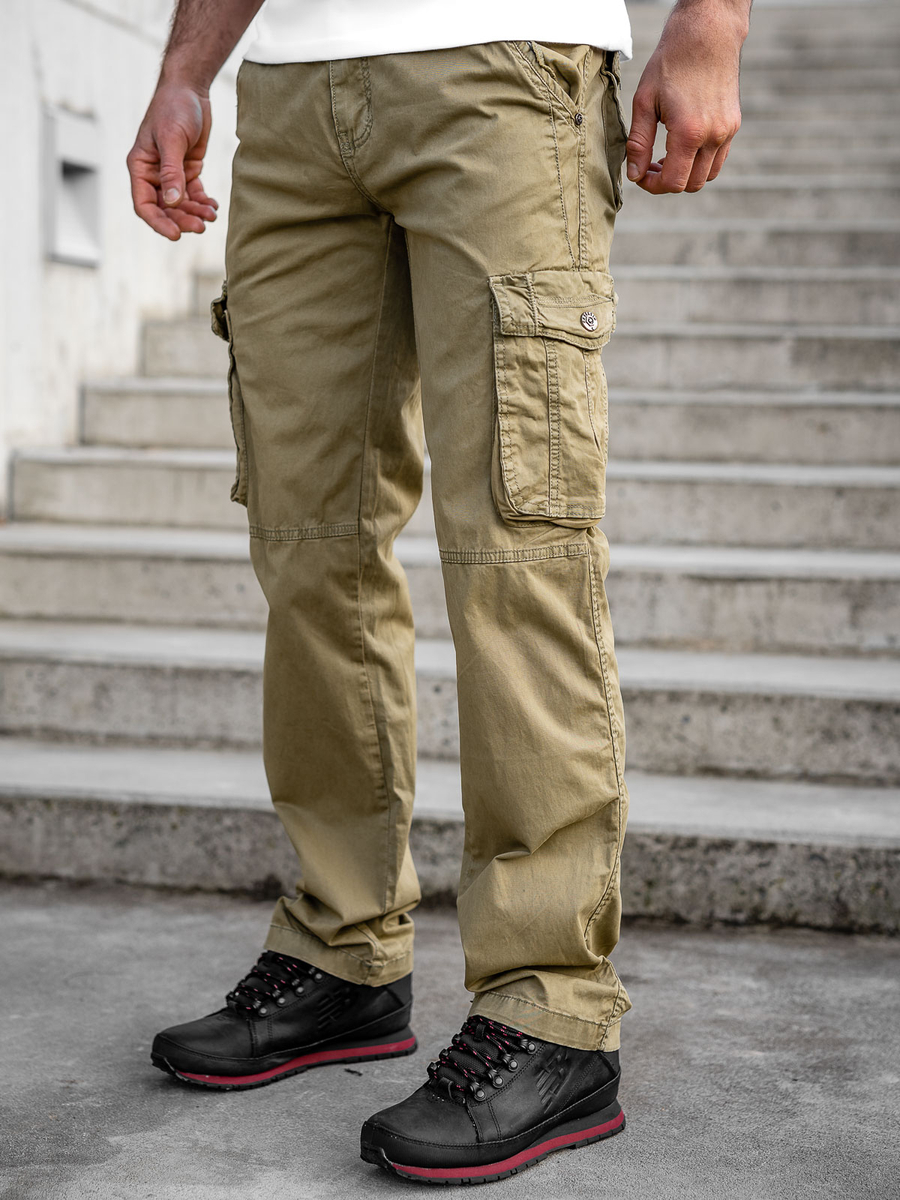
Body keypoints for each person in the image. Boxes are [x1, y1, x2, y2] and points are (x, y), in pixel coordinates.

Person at [127, 0, 748, 1184]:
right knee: (307, 543)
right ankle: (342, 948)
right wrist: (186, 69)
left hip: (504, 65)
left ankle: (553, 1010)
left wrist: (712, 23)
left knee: (521, 552)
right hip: (293, 93)